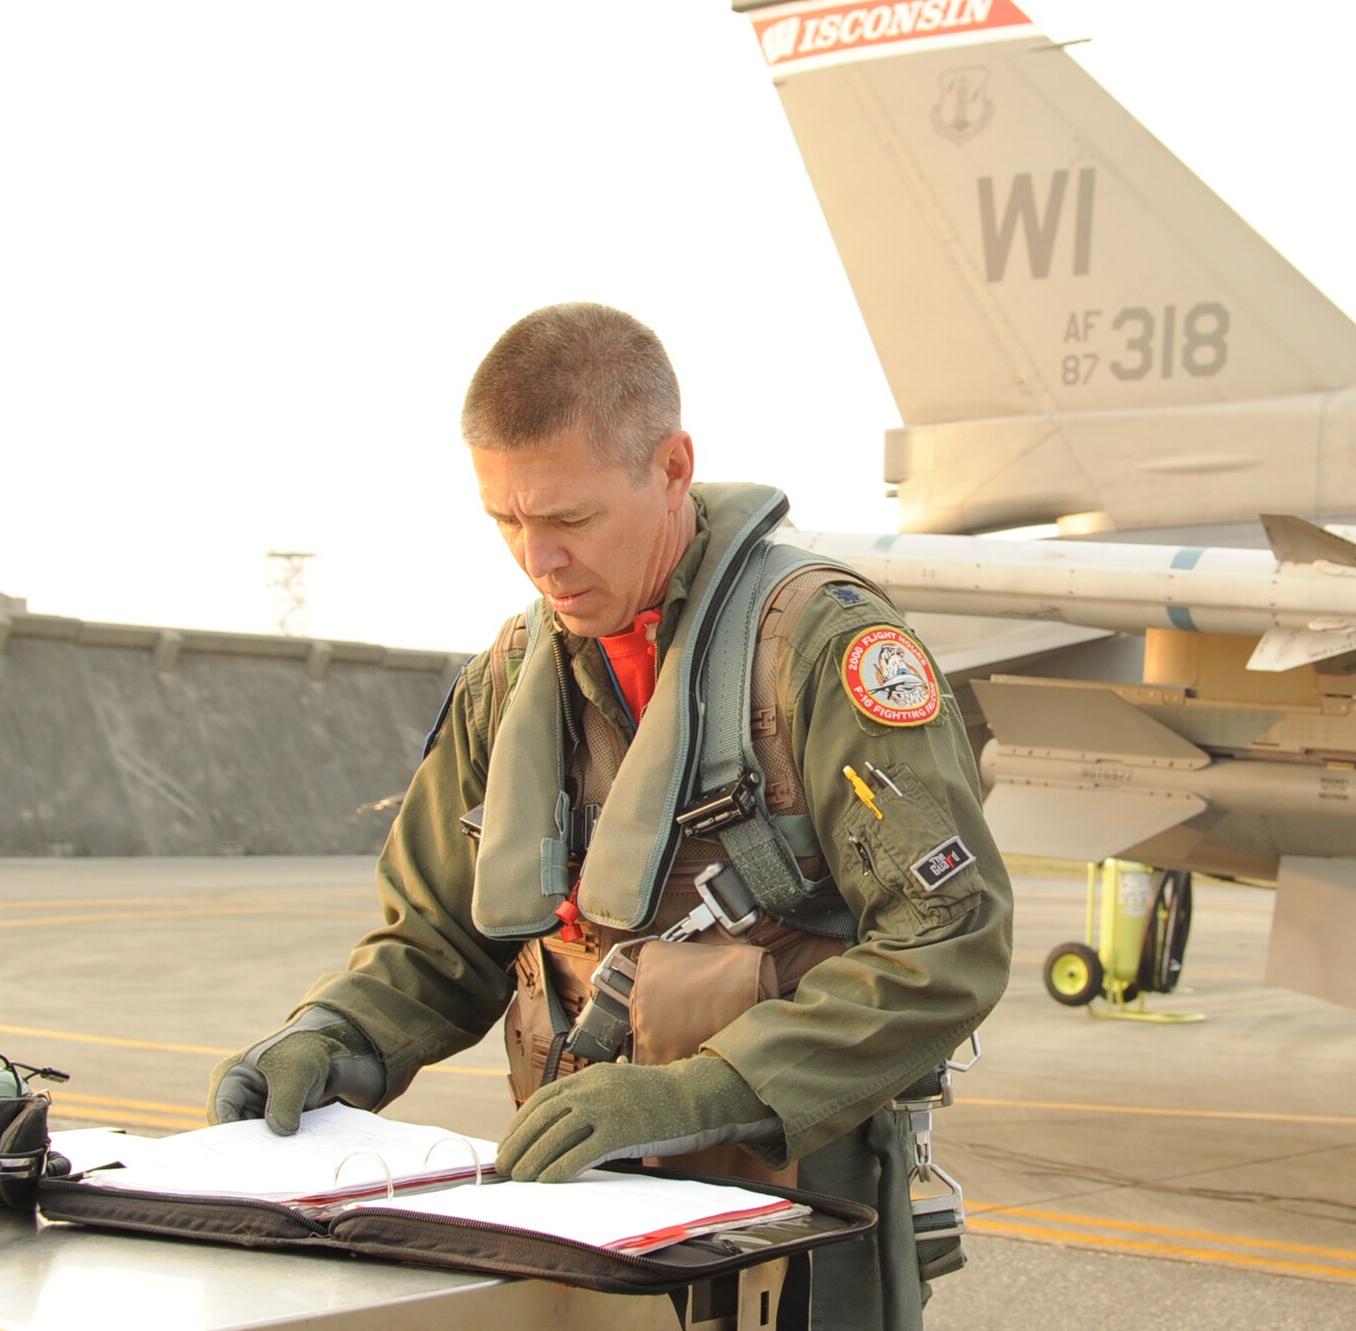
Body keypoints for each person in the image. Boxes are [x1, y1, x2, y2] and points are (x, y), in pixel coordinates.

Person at [208, 302, 1013, 1329]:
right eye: (505, 520)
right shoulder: (510, 678)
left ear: (671, 466)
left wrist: (697, 1092)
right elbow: (442, 938)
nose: (536, 559)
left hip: (795, 1217)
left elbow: (945, 943)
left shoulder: (819, 650)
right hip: (581, 1220)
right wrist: (333, 1036)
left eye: (570, 518)